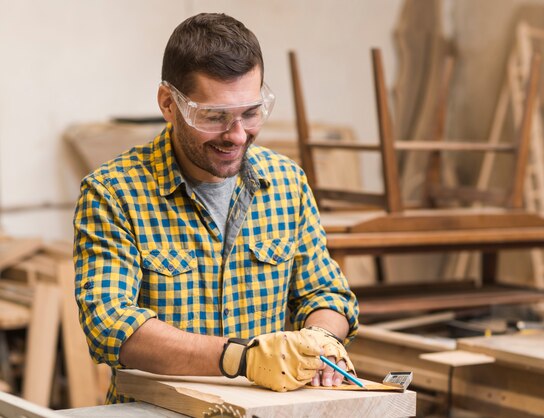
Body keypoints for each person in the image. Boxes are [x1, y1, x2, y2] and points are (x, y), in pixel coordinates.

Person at [73, 12, 359, 403]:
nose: (238, 135)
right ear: (168, 104)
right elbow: (111, 325)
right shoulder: (113, 193)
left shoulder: (287, 184)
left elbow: (326, 294)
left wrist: (321, 339)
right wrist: (242, 358)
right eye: (214, 117)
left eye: (250, 112)